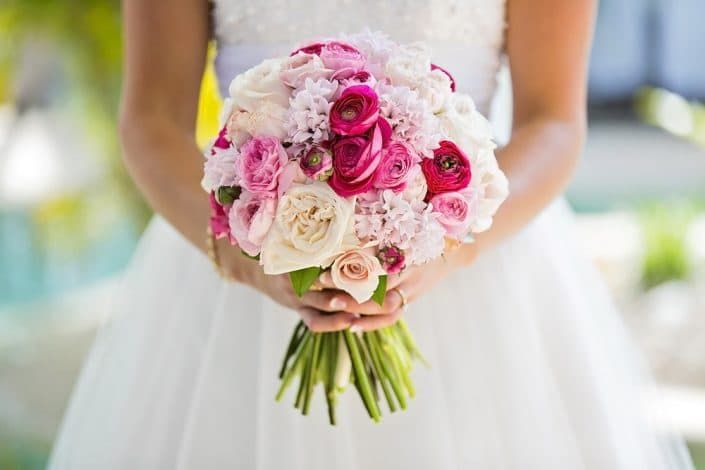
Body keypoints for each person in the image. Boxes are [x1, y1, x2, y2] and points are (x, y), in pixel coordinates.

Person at [49, 0, 694, 468]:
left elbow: (553, 123)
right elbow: (150, 121)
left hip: (478, 276)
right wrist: (252, 260)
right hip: (232, 274)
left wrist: (448, 244)